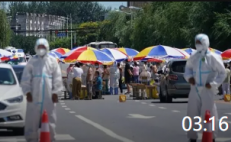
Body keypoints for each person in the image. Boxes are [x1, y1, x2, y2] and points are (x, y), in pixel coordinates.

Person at [184, 34, 226, 142]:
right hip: (195, 88)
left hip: (207, 90)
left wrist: (213, 84)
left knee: (209, 113)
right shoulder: (193, 56)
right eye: (196, 43)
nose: (198, 45)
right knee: (192, 113)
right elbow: (188, 69)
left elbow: (222, 73)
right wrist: (189, 78)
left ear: (205, 43)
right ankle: (192, 137)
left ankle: (210, 137)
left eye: (200, 43)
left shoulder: (213, 57)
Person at [21, 38, 63, 142]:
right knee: (31, 120)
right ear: (36, 48)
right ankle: (31, 139)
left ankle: (51, 138)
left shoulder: (52, 61)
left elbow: (57, 78)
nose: (41, 49)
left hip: (49, 96)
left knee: (50, 119)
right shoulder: (32, 61)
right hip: (34, 96)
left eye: (43, 47)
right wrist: (27, 92)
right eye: (39, 47)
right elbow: (26, 78)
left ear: (47, 48)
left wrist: (56, 92)